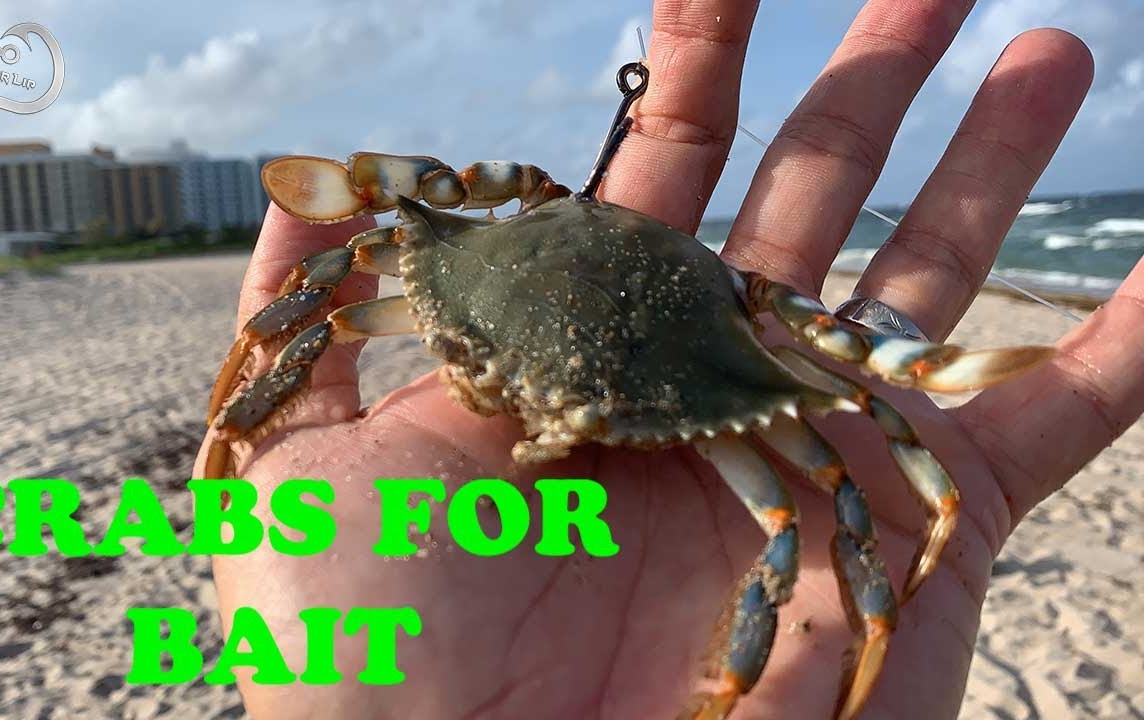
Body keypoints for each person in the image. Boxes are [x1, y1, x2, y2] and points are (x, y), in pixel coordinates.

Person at [195, 1, 1143, 718]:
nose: (547, 419)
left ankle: (734, 687)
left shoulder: (746, 338)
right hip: (548, 266)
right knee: (330, 317)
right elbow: (331, 271)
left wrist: (929, 530)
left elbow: (888, 432)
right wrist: (236, 427)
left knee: (808, 521)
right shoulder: (457, 238)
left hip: (691, 327)